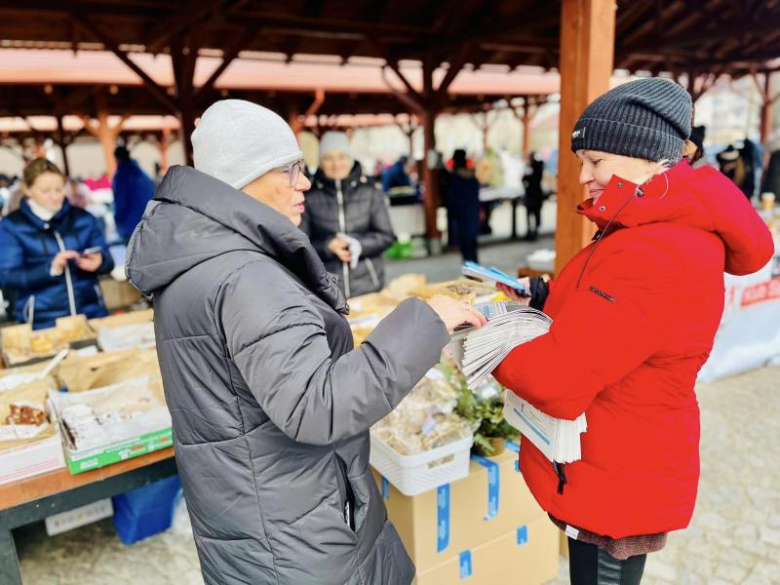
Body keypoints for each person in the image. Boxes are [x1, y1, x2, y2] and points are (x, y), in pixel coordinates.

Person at [125, 99, 485, 585]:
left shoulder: (199, 257)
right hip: (300, 533)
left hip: (253, 520)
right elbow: (319, 406)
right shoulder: (247, 276)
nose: (306, 182)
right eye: (292, 168)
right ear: (247, 174)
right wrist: (427, 321)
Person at [493, 78, 774, 585]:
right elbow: (611, 318)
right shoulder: (653, 227)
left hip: (616, 473)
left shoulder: (658, 249)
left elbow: (559, 379)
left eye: (595, 161)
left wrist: (486, 340)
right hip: (617, 459)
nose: (583, 177)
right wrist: (545, 297)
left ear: (647, 158)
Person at [0, 158, 114, 329]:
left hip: (91, 314)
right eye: (45, 191)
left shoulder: (83, 218)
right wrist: (50, 269)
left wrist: (100, 261)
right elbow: (8, 277)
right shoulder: (12, 226)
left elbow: (109, 261)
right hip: (43, 322)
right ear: (27, 189)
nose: (54, 196)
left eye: (59, 189)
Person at [300, 131, 395, 298]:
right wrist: (328, 246)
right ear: (321, 162)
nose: (336, 164)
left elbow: (386, 236)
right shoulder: (309, 198)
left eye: (342, 157)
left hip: (369, 286)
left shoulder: (371, 193)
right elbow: (300, 244)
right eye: (328, 158)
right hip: (327, 290)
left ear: (350, 159)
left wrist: (358, 244)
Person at [112, 145, 155, 244]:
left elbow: (120, 203)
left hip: (130, 227)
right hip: (148, 223)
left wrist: (117, 219)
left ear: (117, 158)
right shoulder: (143, 174)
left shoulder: (121, 176)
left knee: (134, 258)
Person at [448, 148, 481, 263]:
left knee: (465, 248)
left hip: (461, 217)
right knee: (472, 246)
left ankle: (470, 272)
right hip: (472, 214)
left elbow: (452, 200)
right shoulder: (473, 177)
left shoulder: (454, 179)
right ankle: (475, 271)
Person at [522, 151, 545, 241]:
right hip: (534, 194)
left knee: (533, 214)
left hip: (533, 194)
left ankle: (532, 232)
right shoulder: (535, 167)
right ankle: (532, 231)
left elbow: (525, 179)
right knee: (534, 214)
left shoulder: (534, 166)